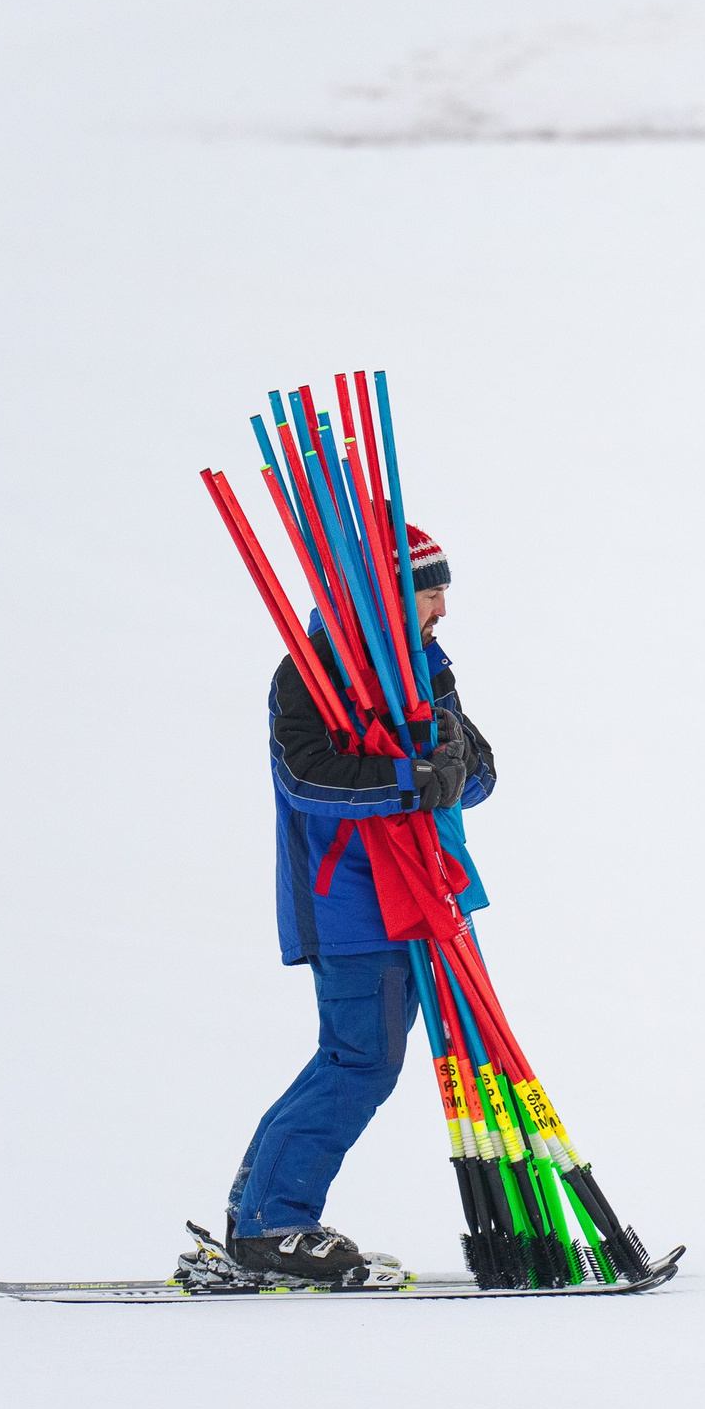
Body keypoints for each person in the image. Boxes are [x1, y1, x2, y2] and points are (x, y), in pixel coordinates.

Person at [223, 525, 497, 1279]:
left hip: (430, 889)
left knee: (359, 1058)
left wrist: (449, 760)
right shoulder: (309, 674)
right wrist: (409, 776)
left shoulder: (425, 668)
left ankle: (259, 1210)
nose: (442, 604)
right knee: (361, 1059)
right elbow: (305, 779)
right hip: (353, 901)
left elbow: (481, 776)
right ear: (382, 596)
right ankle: (272, 1222)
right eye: (428, 588)